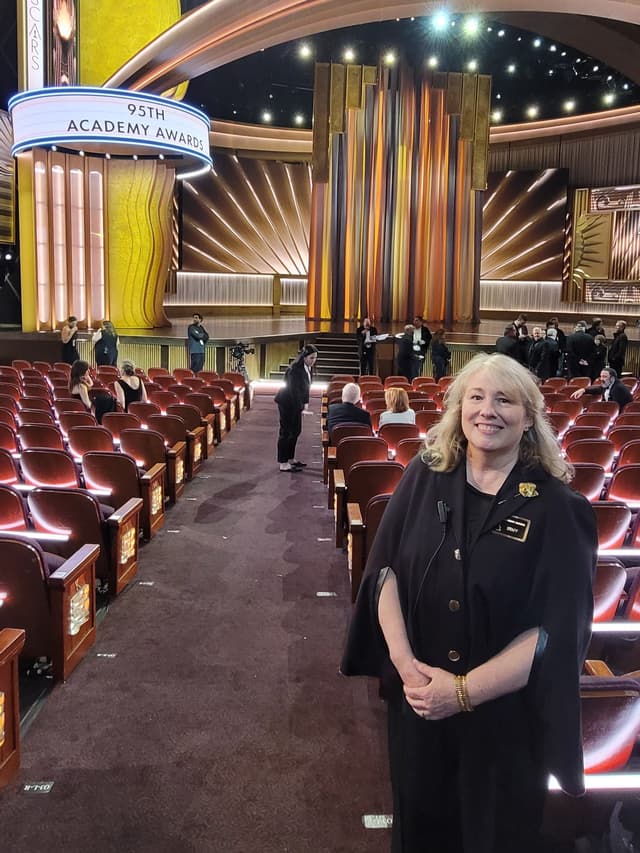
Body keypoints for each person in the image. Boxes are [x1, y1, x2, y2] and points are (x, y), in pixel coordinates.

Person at [342, 352, 597, 853]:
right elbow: (384, 571)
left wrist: (461, 692)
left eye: (505, 400)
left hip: (503, 723)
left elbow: (555, 631)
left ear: (529, 417)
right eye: (475, 397)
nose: (488, 411)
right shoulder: (425, 475)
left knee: (494, 836)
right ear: (458, 409)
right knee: (419, 833)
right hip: (420, 710)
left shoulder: (559, 509)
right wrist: (407, 668)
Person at [274, 344, 318, 472]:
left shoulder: (308, 368)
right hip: (287, 403)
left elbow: (306, 389)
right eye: (311, 358)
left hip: (296, 404)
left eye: (315, 358)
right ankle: (283, 462)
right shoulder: (294, 370)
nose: (313, 361)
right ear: (304, 357)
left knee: (296, 431)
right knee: (286, 432)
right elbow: (294, 391)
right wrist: (301, 408)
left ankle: (290, 458)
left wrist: (305, 404)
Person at [69, 360, 117, 424]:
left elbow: (91, 384)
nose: (89, 371)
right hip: (86, 412)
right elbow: (88, 404)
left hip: (81, 410)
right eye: (87, 369)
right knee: (109, 401)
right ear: (82, 371)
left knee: (106, 399)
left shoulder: (74, 383)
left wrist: (87, 376)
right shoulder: (81, 387)